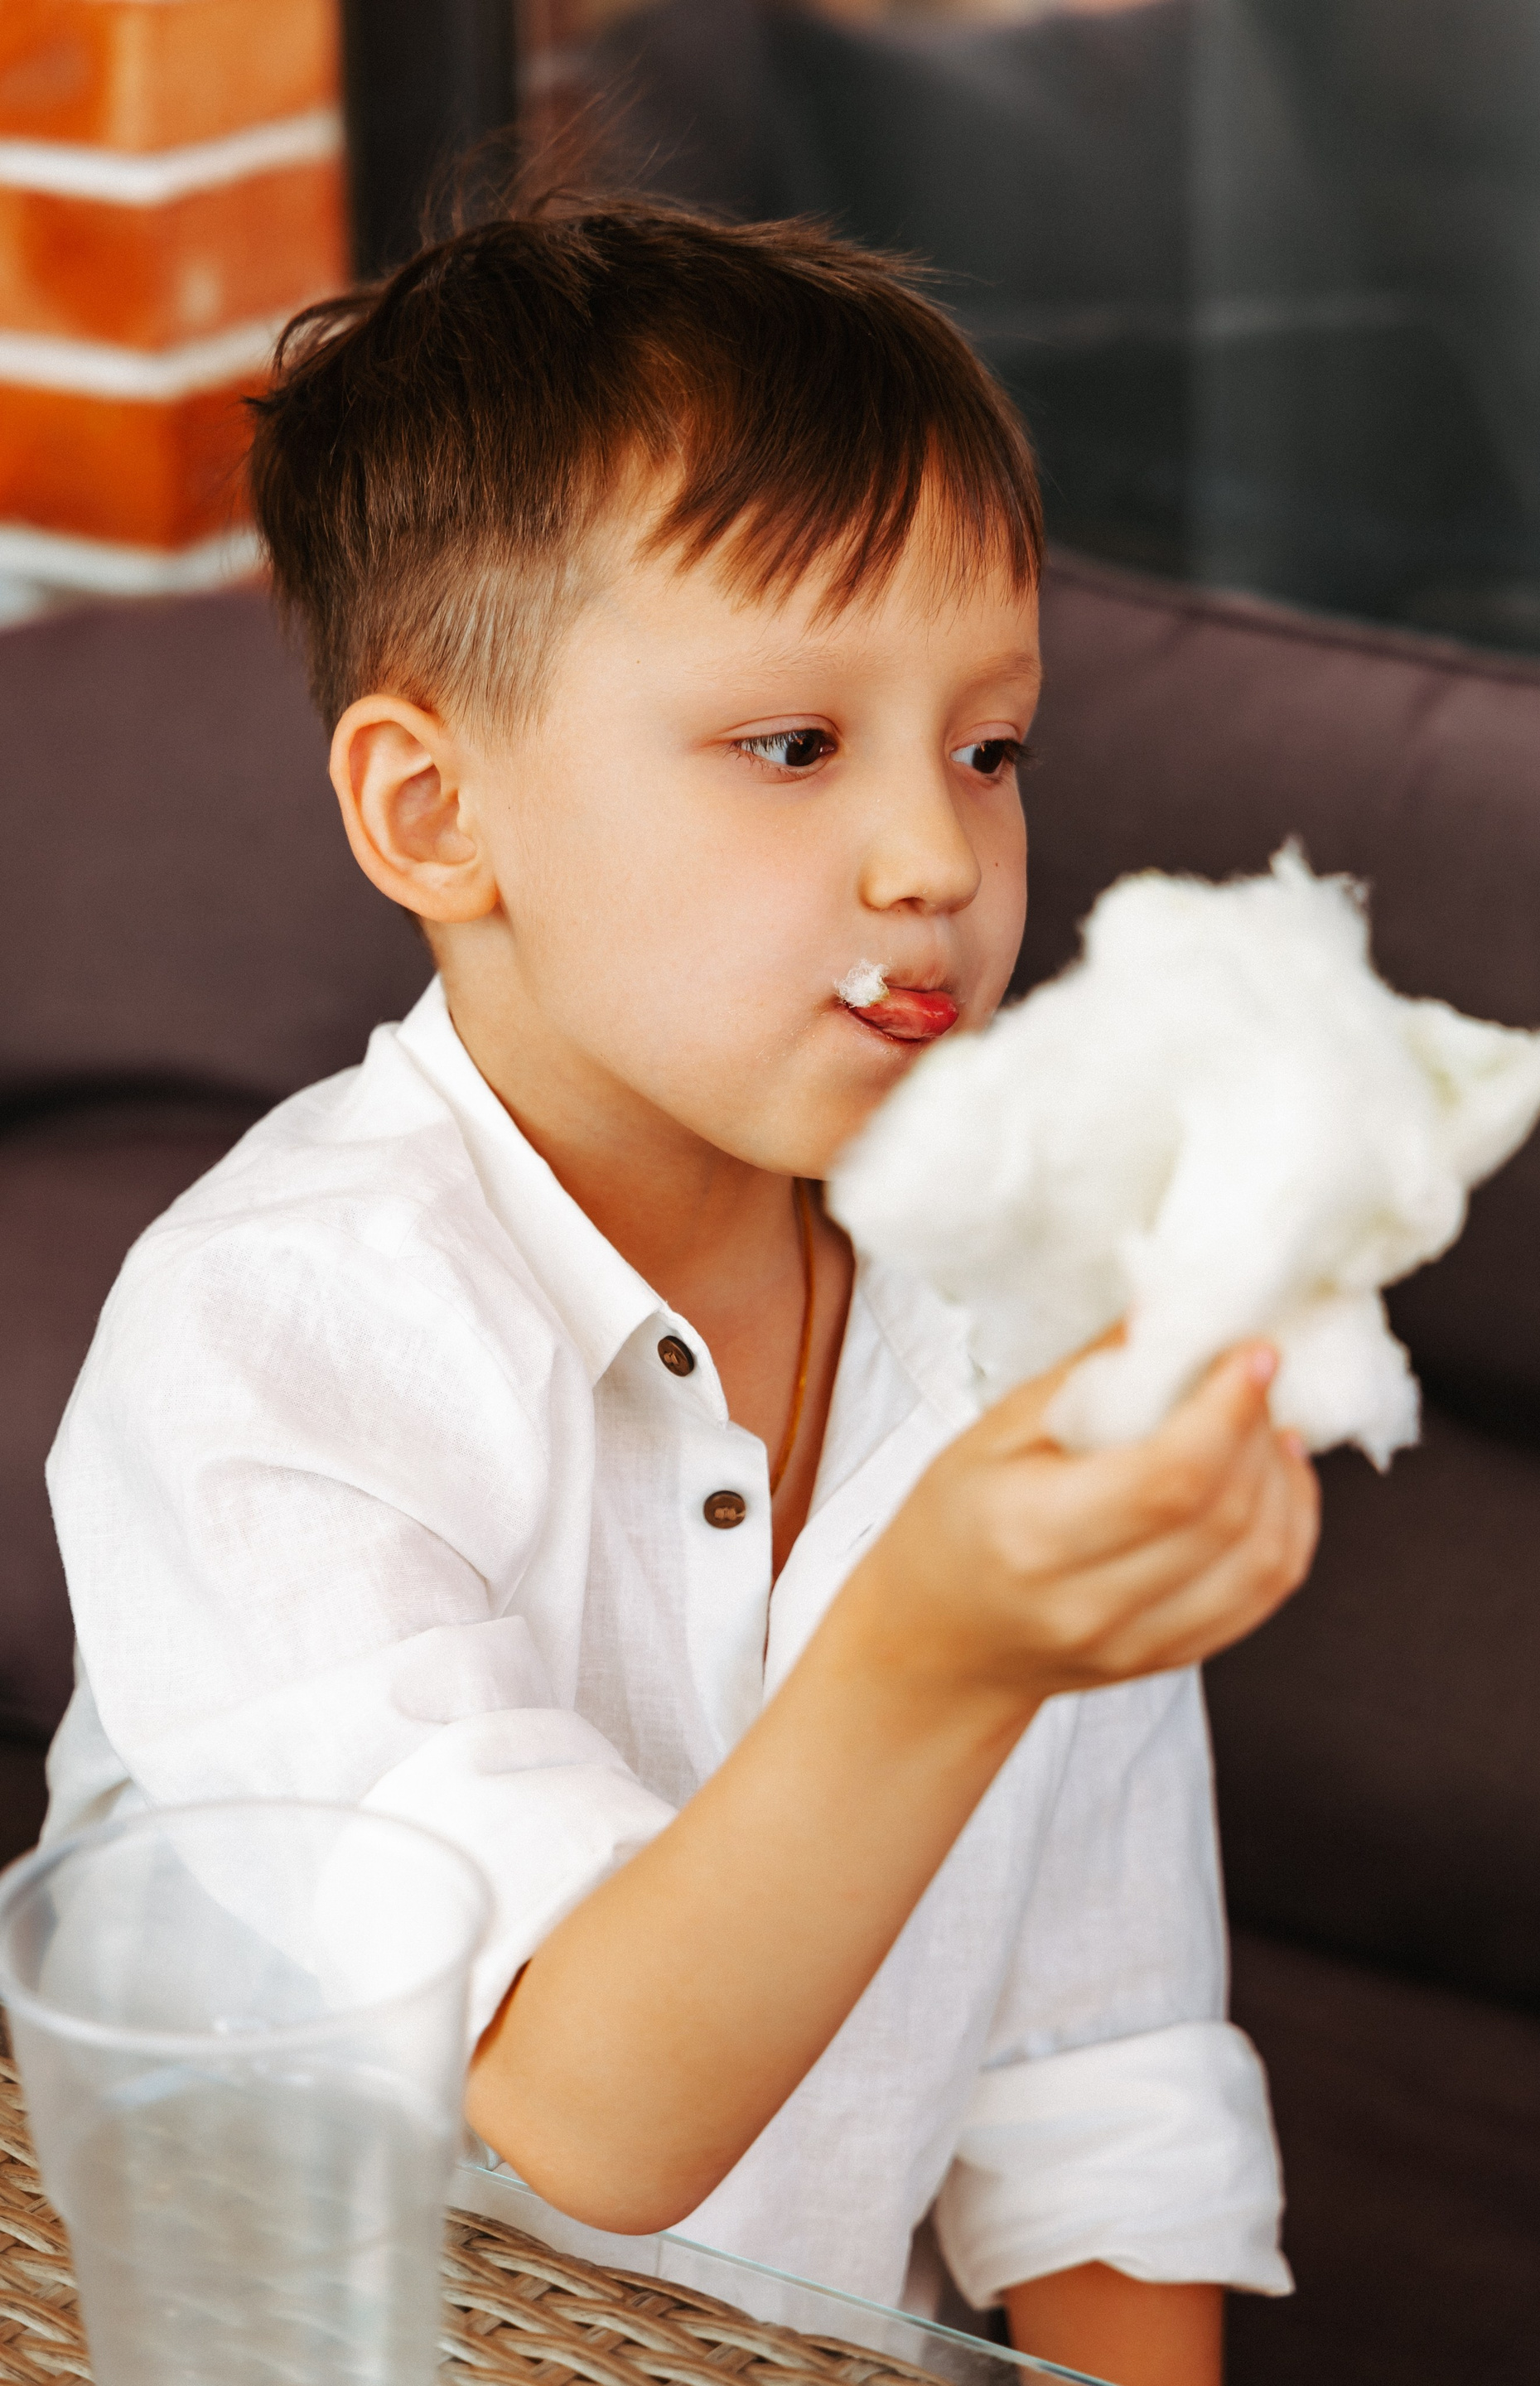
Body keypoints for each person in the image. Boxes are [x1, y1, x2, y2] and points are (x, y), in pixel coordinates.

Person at [42, 198, 1319, 2386]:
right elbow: (581, 2111)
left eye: (990, 747)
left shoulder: (1029, 1318)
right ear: (435, 813)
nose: (937, 859)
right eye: (794, 746)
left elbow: (1099, 2080)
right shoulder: (268, 1342)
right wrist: (938, 1642)